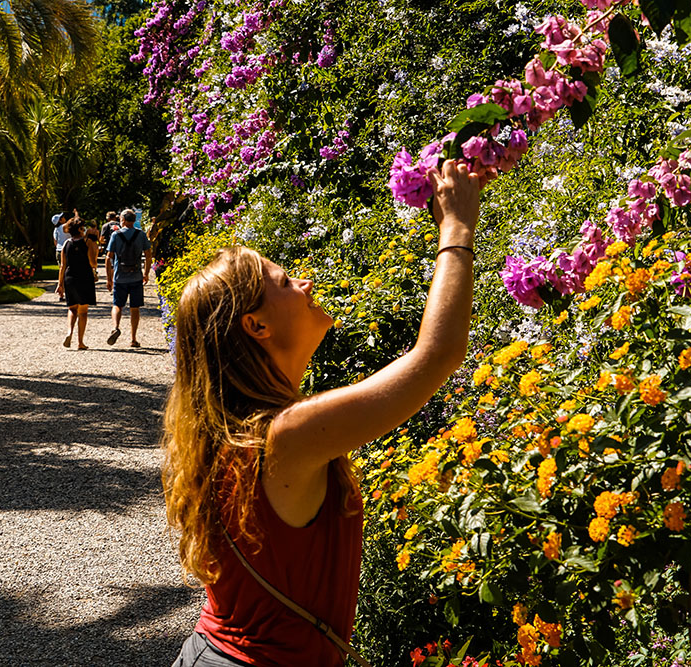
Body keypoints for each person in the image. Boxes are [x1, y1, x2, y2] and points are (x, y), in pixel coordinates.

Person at [164, 160, 480, 666]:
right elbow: (436, 355)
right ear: (257, 326)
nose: (306, 283)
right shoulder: (285, 437)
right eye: (285, 282)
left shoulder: (237, 432)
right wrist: (457, 227)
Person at [105, 209, 152, 347]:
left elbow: (109, 257)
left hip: (119, 276)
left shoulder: (116, 235)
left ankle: (116, 327)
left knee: (117, 305)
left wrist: (109, 278)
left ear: (123, 220)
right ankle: (133, 338)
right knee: (135, 308)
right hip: (136, 276)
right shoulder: (141, 235)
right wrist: (146, 273)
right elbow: (148, 256)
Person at [56, 217, 99, 350]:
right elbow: (93, 262)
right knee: (83, 311)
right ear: (80, 229)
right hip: (84, 277)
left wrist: (60, 284)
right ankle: (80, 342)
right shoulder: (87, 242)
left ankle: (69, 332)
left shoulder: (66, 243)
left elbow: (62, 265)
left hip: (70, 277)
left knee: (72, 308)